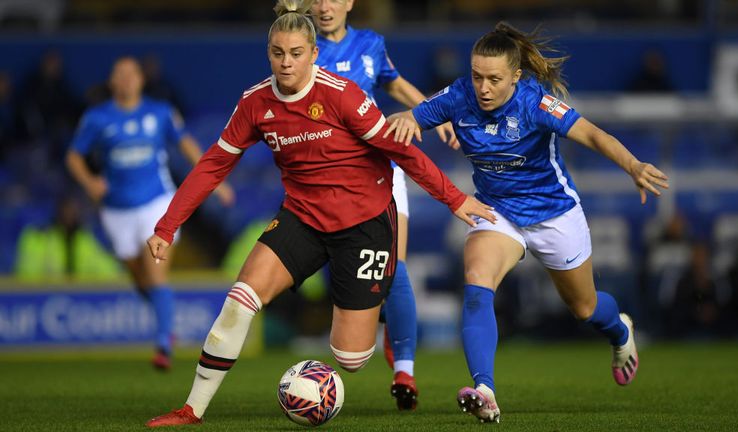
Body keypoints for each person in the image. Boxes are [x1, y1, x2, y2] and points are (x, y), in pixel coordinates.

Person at [144, 0, 493, 427]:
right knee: (240, 300)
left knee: (350, 358)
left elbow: (402, 152)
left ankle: (373, 319)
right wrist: (168, 224)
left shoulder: (343, 95)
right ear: (268, 52)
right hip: (303, 217)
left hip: (365, 223)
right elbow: (213, 163)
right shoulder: (255, 103)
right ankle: (192, 409)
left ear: (313, 53)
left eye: (295, 53)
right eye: (277, 53)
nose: (286, 63)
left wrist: (456, 200)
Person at [387, 22, 669, 423]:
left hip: (554, 213)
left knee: (585, 308)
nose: (483, 87)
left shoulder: (536, 103)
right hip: (497, 211)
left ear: (516, 76)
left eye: (494, 79)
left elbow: (591, 134)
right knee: (476, 281)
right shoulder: (458, 95)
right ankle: (485, 389)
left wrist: (633, 165)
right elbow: (413, 117)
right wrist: (406, 120)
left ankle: (621, 331)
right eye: (477, 76)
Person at [309, 0, 459, 411]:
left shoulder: (371, 43)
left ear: (349, 3)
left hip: (380, 166)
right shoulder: (300, 47)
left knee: (395, 264)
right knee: (358, 271)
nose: (324, 6)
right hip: (329, 179)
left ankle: (404, 368)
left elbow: (394, 84)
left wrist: (433, 113)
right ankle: (376, 330)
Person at [66, 56, 234, 370]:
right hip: (117, 211)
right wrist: (90, 182)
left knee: (155, 272)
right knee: (140, 277)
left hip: (157, 205)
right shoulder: (97, 118)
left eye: (133, 74)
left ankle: (162, 343)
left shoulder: (160, 113)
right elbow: (74, 157)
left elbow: (186, 146)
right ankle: (165, 319)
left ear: (141, 80)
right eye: (121, 74)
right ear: (112, 81)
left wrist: (216, 183)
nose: (127, 79)